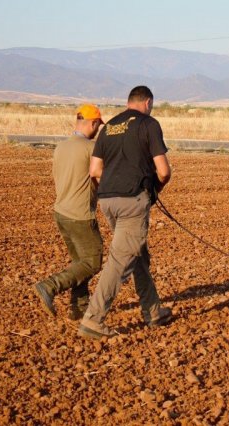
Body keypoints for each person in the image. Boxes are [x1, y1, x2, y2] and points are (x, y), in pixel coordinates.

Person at [78, 86, 172, 339]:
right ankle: (93, 319)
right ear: (148, 102)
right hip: (133, 199)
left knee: (134, 252)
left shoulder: (109, 127)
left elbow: (95, 170)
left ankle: (153, 311)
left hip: (107, 199)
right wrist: (155, 190)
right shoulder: (149, 124)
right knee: (120, 260)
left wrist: (110, 190)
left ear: (128, 102)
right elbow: (163, 171)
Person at [33, 104, 104, 321]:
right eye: (98, 126)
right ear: (92, 123)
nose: (98, 130)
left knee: (79, 263)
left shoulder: (60, 147)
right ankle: (49, 286)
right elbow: (99, 175)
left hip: (61, 212)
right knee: (93, 261)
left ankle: (79, 307)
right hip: (80, 214)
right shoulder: (90, 148)